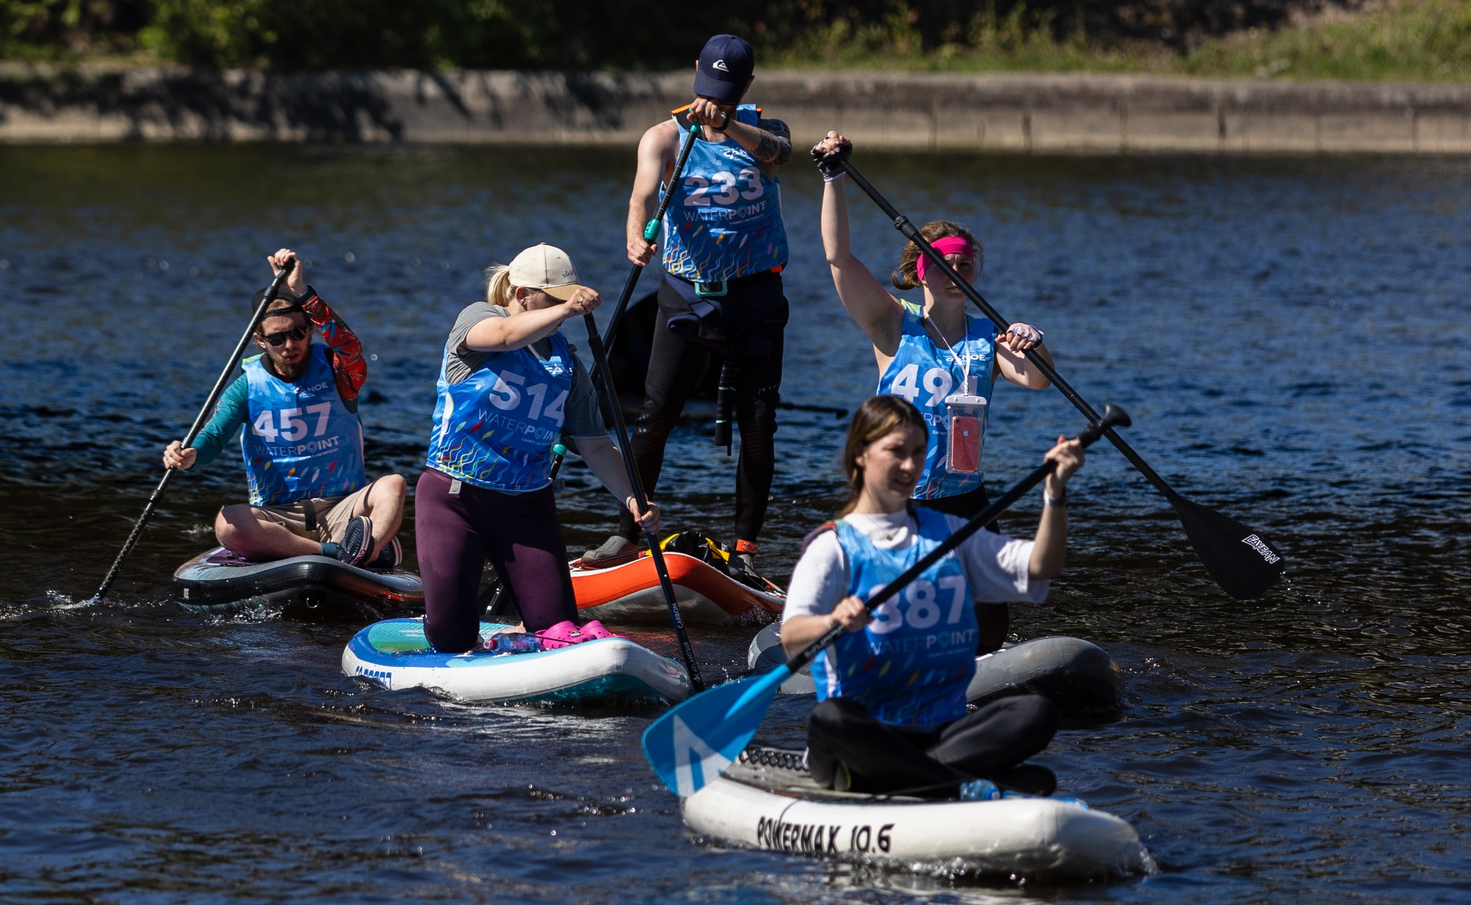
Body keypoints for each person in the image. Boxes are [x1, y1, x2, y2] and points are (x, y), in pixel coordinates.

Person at [810, 129, 1051, 650]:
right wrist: (834, 179)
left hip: (966, 500)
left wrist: (1035, 341)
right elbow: (838, 259)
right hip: (897, 497)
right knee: (902, 610)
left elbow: (1035, 378)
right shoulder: (895, 325)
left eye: (964, 263)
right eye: (943, 262)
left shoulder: (993, 334)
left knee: (990, 628)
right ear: (921, 270)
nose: (955, 271)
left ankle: (973, 678)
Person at [776, 394, 1086, 797]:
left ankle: (927, 784)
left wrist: (1055, 493)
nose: (909, 466)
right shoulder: (833, 547)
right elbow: (792, 634)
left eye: (919, 452)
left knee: (1035, 711)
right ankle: (964, 787)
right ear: (860, 456)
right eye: (895, 452)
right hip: (864, 739)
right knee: (832, 718)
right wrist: (832, 621)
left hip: (942, 736)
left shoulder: (952, 535)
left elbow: (1042, 566)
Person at [580, 35, 793, 569]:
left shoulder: (765, 131)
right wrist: (636, 236)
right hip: (685, 292)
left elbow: (778, 159)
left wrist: (728, 126)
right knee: (655, 417)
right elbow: (642, 197)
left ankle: (745, 547)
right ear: (695, 70)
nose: (713, 97)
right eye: (708, 85)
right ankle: (627, 533)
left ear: (745, 85)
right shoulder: (662, 137)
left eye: (726, 90)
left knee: (758, 421)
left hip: (756, 294)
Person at [419, 243, 660, 654]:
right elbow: (505, 336)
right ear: (521, 295)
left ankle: (521, 641)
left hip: (527, 509)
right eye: (554, 301)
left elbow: (597, 445)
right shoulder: (478, 318)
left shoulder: (567, 364)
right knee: (451, 636)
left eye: (568, 301)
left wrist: (634, 497)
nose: (563, 312)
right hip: (455, 499)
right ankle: (450, 627)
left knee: (558, 628)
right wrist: (567, 310)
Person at [162, 249, 407, 569]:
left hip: (343, 508)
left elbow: (349, 344)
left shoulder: (339, 371)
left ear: (311, 329)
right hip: (278, 518)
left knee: (394, 484)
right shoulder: (246, 386)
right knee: (228, 522)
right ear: (259, 340)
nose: (290, 345)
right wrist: (190, 454)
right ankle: (341, 554)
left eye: (298, 332)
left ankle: (365, 545)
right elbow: (215, 435)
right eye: (277, 338)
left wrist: (303, 293)